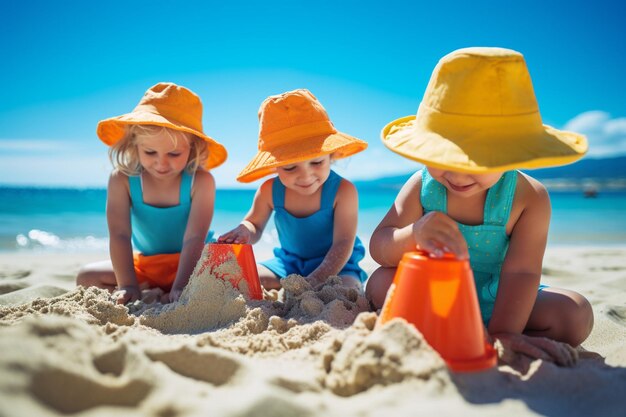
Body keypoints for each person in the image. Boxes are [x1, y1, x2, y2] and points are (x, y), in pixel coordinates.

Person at [365, 47, 593, 364]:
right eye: (443, 155)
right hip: (436, 293)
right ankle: (452, 328)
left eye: (477, 159)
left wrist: (502, 334)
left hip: (503, 298)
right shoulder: (422, 186)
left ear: (511, 153)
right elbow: (380, 246)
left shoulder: (529, 197)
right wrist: (414, 234)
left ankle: (484, 333)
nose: (457, 173)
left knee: (576, 314)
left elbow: (523, 272)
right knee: (379, 283)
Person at [76, 82, 227, 304]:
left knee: (230, 278)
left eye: (174, 153)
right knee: (86, 276)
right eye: (150, 152)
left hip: (196, 263)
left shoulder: (201, 181)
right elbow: (119, 235)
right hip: (149, 265)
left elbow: (194, 238)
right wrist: (127, 285)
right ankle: (155, 289)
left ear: (192, 148)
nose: (161, 163)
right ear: (134, 145)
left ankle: (164, 290)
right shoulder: (122, 180)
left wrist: (182, 285)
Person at [218, 89, 368, 290]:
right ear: (275, 166)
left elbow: (343, 243)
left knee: (345, 289)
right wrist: (245, 231)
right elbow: (255, 224)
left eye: (316, 162)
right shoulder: (270, 190)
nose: (306, 176)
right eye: (290, 167)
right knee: (247, 278)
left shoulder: (343, 191)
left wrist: (315, 279)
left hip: (338, 265)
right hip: (289, 264)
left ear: (331, 156)